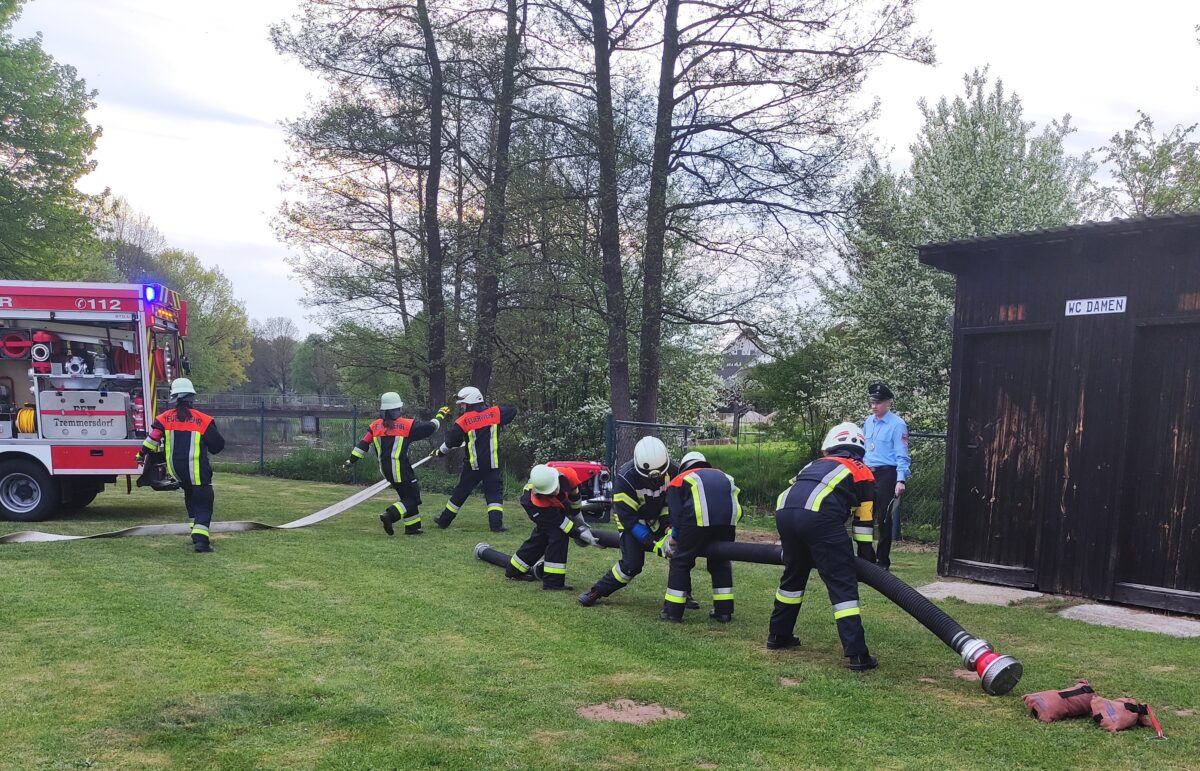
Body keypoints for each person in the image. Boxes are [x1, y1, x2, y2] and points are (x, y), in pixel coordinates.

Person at [767, 422, 878, 671]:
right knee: (841, 584)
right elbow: (864, 520)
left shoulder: (813, 464)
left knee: (793, 577)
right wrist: (866, 557)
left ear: (829, 446)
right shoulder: (862, 471)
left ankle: (778, 635)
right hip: (820, 518)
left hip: (784, 512)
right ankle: (858, 655)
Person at [578, 436, 691, 607]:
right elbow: (629, 520)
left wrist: (670, 531)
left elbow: (676, 505)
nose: (655, 478)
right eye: (650, 475)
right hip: (633, 521)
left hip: (662, 516)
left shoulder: (674, 471)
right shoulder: (625, 478)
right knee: (632, 564)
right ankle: (597, 591)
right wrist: (654, 543)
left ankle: (684, 594)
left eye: (660, 472)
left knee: (679, 553)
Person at [138, 378, 225, 553]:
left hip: (177, 471)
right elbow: (217, 446)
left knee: (190, 495)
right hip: (198, 471)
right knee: (204, 502)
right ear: (192, 397)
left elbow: (152, 438)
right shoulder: (203, 420)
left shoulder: (164, 418)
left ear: (173, 396)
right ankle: (201, 541)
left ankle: (195, 531)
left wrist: (141, 454)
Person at [343, 392, 448, 536]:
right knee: (413, 498)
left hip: (386, 470)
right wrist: (440, 415)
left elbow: (363, 444)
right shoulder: (407, 425)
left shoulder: (374, 426)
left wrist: (350, 461)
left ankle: (412, 527)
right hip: (401, 469)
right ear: (397, 409)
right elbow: (431, 427)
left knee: (406, 496)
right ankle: (390, 515)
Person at [658, 451, 742, 624]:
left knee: (681, 562)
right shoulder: (725, 476)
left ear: (683, 467)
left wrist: (674, 539)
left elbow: (677, 515)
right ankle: (723, 612)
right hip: (728, 522)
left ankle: (672, 613)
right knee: (720, 563)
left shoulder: (679, 480)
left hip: (696, 520)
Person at [432, 387, 519, 532]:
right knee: (493, 493)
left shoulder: (463, 420)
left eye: (463, 404)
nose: (461, 407)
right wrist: (496, 419)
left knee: (461, 491)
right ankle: (496, 525)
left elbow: (452, 441)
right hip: (492, 463)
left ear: (471, 402)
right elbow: (513, 411)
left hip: (473, 464)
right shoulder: (496, 413)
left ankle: (444, 520)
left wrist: (440, 452)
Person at [505, 464, 600, 591]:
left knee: (542, 535)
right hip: (535, 508)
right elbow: (561, 523)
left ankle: (515, 569)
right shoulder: (539, 499)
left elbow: (575, 499)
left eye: (555, 488)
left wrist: (580, 523)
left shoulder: (569, 475)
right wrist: (579, 534)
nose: (554, 492)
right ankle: (553, 583)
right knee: (558, 535)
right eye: (551, 492)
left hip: (554, 507)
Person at [861, 382, 910, 570]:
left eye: (878, 402)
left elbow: (902, 454)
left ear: (888, 402)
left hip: (887, 473)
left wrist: (900, 479)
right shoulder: (868, 422)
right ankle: (866, 557)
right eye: (872, 402)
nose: (874, 406)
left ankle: (883, 561)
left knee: (883, 518)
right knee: (864, 516)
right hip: (868, 472)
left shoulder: (897, 424)